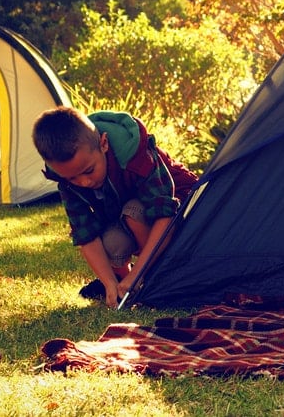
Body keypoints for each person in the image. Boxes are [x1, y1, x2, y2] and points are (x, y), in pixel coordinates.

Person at [33, 107, 197, 308]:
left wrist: (137, 275)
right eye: (72, 177)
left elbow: (166, 217)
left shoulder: (137, 156)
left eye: (88, 171)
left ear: (104, 144)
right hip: (131, 218)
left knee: (134, 212)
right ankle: (122, 286)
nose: (83, 182)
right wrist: (109, 282)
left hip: (185, 213)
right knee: (110, 242)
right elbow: (86, 235)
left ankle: (158, 278)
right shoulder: (67, 180)